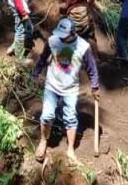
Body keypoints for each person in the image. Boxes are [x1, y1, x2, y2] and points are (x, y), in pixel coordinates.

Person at [32, 18, 100, 163]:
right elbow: (43, 58)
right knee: (47, 115)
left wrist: (95, 86)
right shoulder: (53, 41)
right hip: (52, 85)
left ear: (73, 33)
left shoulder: (83, 46)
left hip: (70, 89)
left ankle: (70, 150)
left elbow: (91, 68)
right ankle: (44, 141)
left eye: (64, 35)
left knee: (70, 118)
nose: (61, 37)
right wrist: (36, 72)